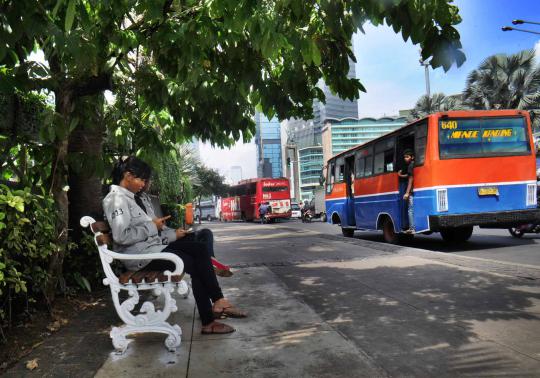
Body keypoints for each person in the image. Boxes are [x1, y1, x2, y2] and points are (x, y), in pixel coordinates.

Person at [103, 156, 246, 335]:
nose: (143, 184)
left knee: (198, 252)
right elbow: (121, 236)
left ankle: (214, 308)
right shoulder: (115, 200)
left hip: (152, 250)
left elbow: (147, 231)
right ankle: (215, 302)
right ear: (128, 176)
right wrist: (152, 226)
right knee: (198, 258)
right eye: (142, 179)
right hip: (141, 258)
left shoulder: (131, 198)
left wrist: (161, 230)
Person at [136, 183, 233, 277]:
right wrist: (173, 235)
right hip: (158, 247)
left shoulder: (144, 198)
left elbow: (160, 227)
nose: (149, 183)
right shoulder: (129, 202)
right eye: (146, 180)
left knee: (205, 233)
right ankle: (209, 263)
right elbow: (147, 238)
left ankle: (211, 260)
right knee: (198, 253)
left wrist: (174, 231)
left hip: (163, 240)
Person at [398, 149, 415, 233]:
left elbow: (410, 179)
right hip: (414, 190)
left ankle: (412, 228)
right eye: (404, 157)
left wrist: (407, 193)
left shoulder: (410, 166)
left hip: (411, 191)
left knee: (410, 209)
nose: (405, 159)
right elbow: (409, 175)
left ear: (412, 157)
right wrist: (401, 175)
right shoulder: (413, 165)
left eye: (407, 157)